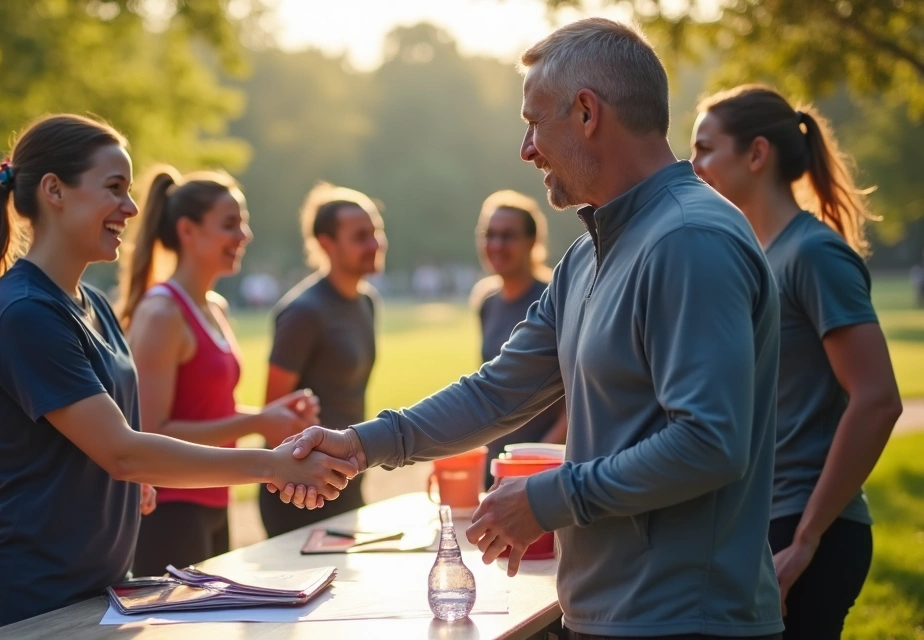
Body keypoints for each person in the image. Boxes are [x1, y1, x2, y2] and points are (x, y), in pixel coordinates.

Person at [273, 18, 786, 639]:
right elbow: (499, 391)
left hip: (687, 622)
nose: (526, 149)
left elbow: (710, 442)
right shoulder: (591, 253)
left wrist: (547, 499)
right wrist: (361, 445)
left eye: (534, 122)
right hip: (609, 616)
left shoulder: (689, 240)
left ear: (587, 113)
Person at [0, 114, 356, 634]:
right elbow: (124, 450)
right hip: (32, 600)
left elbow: (115, 450)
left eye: (129, 191)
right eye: (113, 189)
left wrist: (114, 487)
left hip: (97, 588)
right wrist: (271, 464)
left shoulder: (91, 305)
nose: (130, 209)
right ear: (54, 191)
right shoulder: (26, 310)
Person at [692, 85, 902, 639]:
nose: (693, 167)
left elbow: (877, 399)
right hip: (760, 521)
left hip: (808, 532)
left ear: (757, 154)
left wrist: (805, 540)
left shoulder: (813, 253)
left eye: (706, 149)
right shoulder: (757, 256)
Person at [118, 166, 320, 576]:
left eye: (243, 223)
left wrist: (273, 417)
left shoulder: (214, 307)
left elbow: (207, 409)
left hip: (213, 499)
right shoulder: (162, 312)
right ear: (188, 231)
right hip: (172, 508)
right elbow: (153, 430)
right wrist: (260, 421)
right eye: (230, 224)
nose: (243, 236)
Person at [257, 182, 387, 537]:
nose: (375, 244)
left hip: (346, 479)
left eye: (376, 231)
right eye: (361, 235)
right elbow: (273, 412)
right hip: (301, 491)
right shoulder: (303, 313)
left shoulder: (367, 302)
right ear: (327, 244)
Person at [470, 190, 567, 486]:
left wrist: (534, 462)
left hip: (544, 468)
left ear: (532, 242)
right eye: (490, 234)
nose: (496, 245)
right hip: (499, 463)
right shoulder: (487, 301)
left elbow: (576, 397)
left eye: (508, 236)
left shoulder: (555, 299)